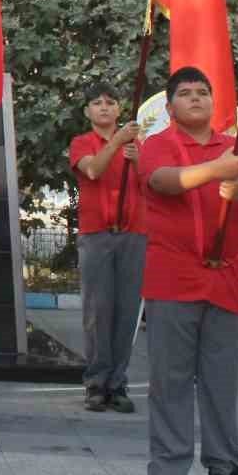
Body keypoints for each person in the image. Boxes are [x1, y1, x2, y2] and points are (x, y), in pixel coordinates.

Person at [136, 67, 238, 475]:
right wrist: (215, 171)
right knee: (170, 380)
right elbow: (163, 182)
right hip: (173, 277)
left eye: (202, 93)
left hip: (227, 278)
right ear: (170, 105)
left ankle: (225, 474)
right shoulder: (156, 146)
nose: (195, 99)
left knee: (220, 382)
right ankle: (165, 474)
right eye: (185, 93)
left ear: (213, 103)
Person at [69, 82, 144, 414]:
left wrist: (139, 159)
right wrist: (117, 141)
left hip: (134, 234)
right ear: (87, 111)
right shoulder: (82, 143)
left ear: (119, 109)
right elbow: (93, 170)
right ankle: (96, 382)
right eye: (96, 103)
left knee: (127, 311)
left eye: (110, 102)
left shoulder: (138, 147)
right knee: (98, 311)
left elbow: (153, 183)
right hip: (97, 233)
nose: (103, 107)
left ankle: (118, 382)